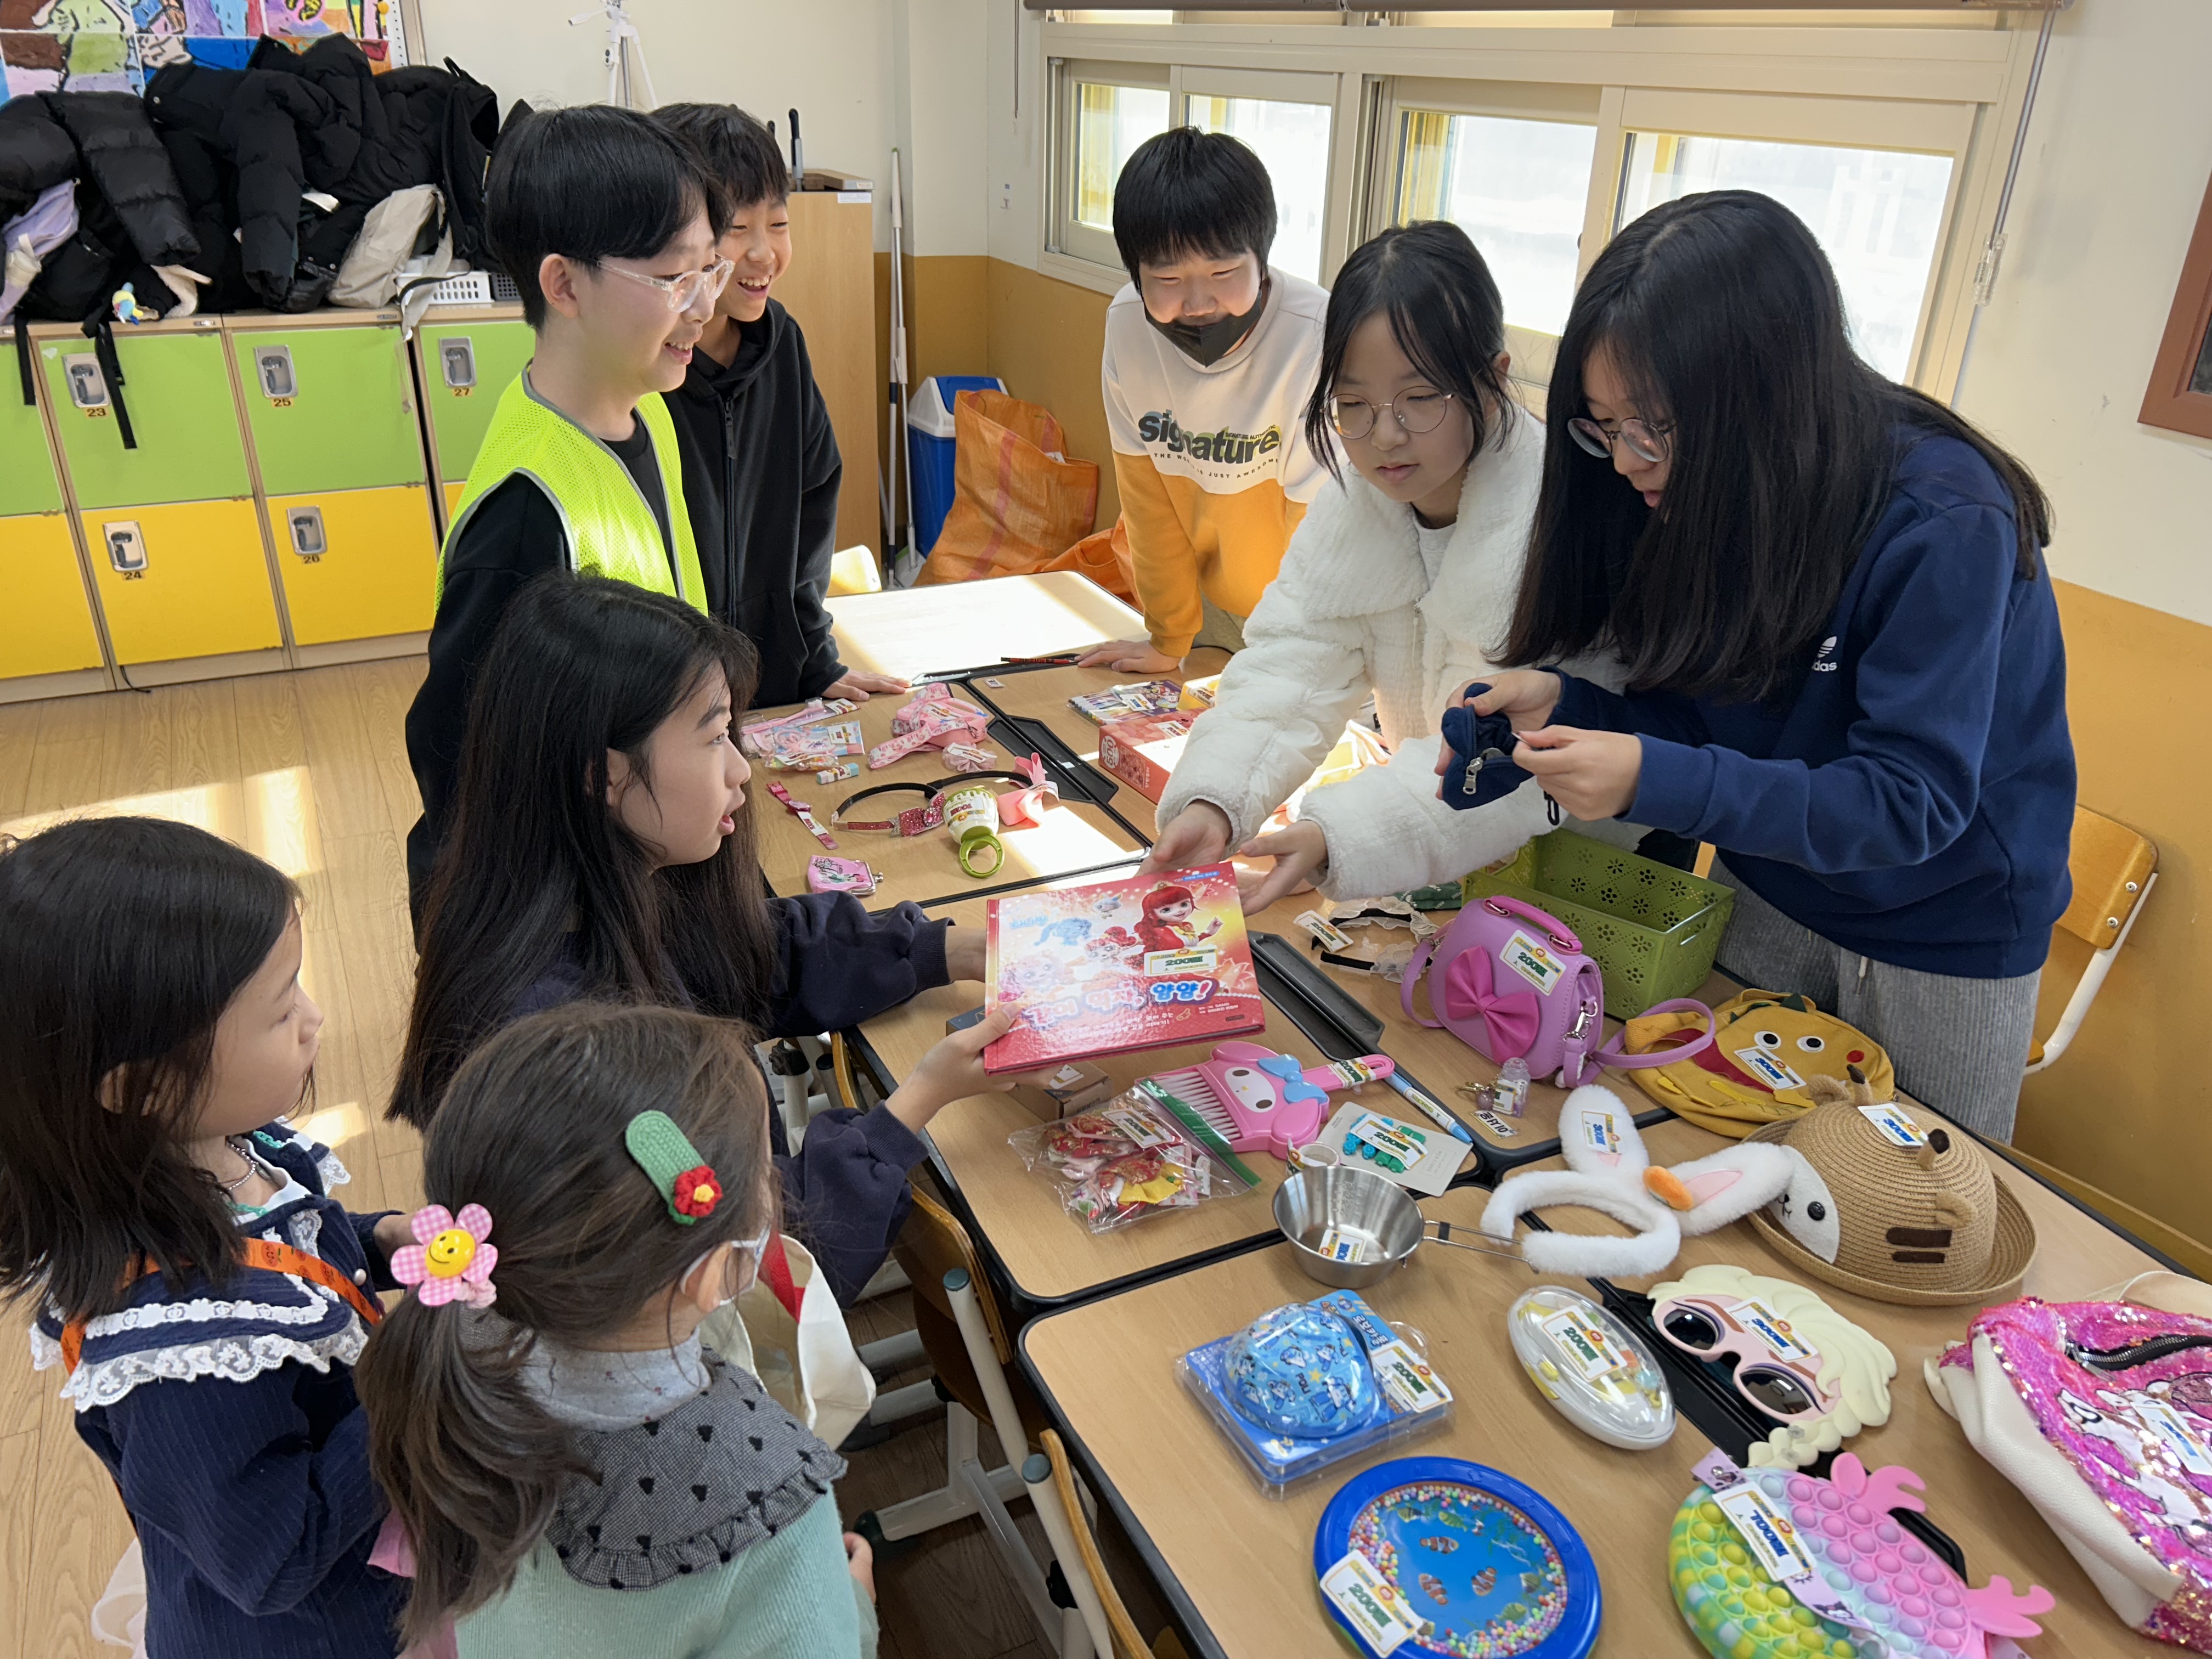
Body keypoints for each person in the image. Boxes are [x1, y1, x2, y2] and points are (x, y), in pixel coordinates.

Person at [1469, 190, 2073, 1139]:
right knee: (1725, 1153)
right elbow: (1708, 728)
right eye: (1602, 424)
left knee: (1904, 1208)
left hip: (1942, 929)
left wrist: (1653, 776)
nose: (1627, 461)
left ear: (1764, 395)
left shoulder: (1944, 521)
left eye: (1655, 426)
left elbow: (1904, 802)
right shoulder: (1687, 492)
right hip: (1769, 888)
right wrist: (1573, 702)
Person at [392, 574, 1014, 1301]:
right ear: (606, 775)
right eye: (716, 736)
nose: (741, 769)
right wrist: (919, 1099)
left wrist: (947, 950)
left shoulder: (585, 889)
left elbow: (755, 953)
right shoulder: (584, 1064)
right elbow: (757, 1271)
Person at [0, 817, 411, 1659]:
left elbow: (296, 1259)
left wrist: (381, 1242)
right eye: (280, 1006)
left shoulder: (215, 1142)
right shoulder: (181, 1353)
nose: (316, 1018)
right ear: (143, 1086)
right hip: (321, 1632)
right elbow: (274, 1558)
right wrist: (414, 1388)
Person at [359, 1001, 877, 1656]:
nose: (775, 1185)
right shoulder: (770, 1503)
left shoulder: (442, 1348)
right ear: (712, 1274)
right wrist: (851, 1605)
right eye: (766, 1171)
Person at [1148, 221, 1623, 908]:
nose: (1386, 435)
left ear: (1492, 380)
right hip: (1432, 849)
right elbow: (1293, 668)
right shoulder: (1357, 502)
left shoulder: (1555, 529)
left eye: (1421, 397)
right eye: (1354, 404)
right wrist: (1215, 802)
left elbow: (1507, 767)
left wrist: (1333, 835)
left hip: (1577, 876)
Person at [403, 105, 737, 919]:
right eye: (673, 278)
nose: (701, 308)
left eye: (710, 271)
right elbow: (468, 792)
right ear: (563, 284)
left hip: (656, 868)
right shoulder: (525, 516)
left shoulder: (648, 411)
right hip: (586, 920)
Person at [652, 102, 907, 708]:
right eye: (739, 230)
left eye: (779, 224)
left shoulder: (782, 345)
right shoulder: (648, 372)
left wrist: (816, 662)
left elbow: (813, 504)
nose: (765, 254)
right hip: (671, 700)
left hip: (776, 687)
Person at [1077, 126, 1329, 673]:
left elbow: (1321, 536)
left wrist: (1298, 657)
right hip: (1217, 612)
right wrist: (1168, 637)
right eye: (1167, 277)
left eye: (1222, 273)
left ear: (1261, 256)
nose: (1197, 302)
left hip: (1319, 624)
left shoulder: (1315, 337)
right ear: (1136, 273)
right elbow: (1150, 507)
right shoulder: (1127, 328)